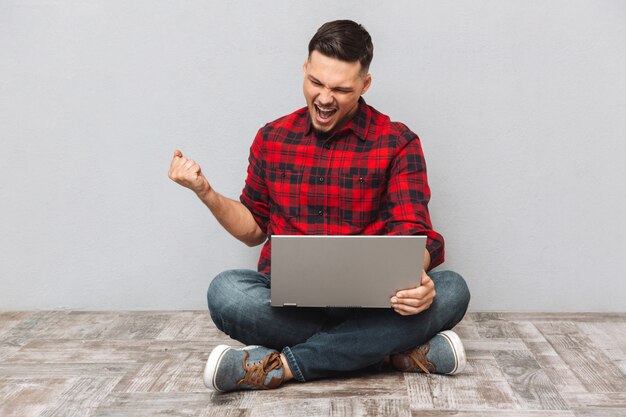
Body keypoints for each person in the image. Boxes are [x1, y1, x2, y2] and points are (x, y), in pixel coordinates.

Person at [168, 20, 470, 393]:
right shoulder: (272, 137)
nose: (325, 98)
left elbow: (412, 231)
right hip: (290, 305)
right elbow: (252, 229)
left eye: (341, 89)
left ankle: (283, 367)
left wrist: (417, 279)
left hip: (377, 305)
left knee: (452, 289)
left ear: (365, 85)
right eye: (317, 83)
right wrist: (205, 191)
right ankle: (391, 352)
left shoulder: (397, 142)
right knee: (226, 292)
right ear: (305, 71)